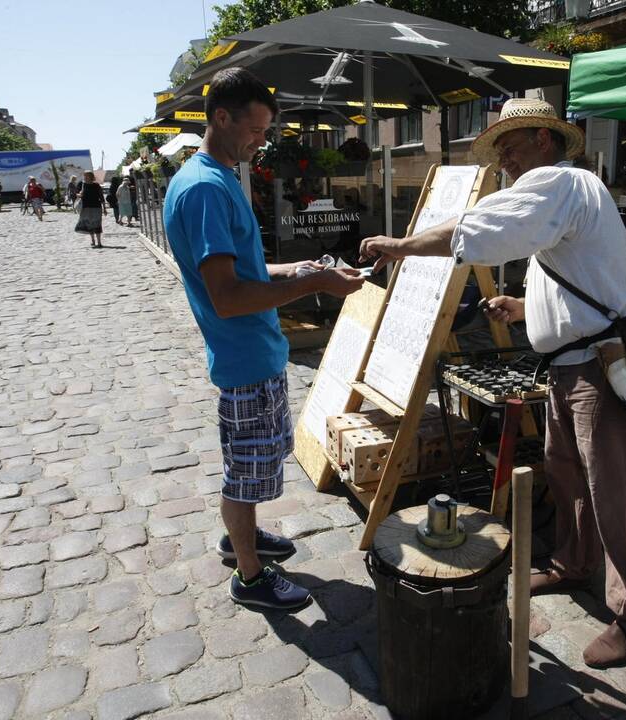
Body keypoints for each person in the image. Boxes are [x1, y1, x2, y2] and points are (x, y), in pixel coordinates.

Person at [359, 98, 626, 668]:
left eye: (510, 146)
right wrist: (526, 308)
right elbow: (580, 275)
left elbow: (481, 229)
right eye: (498, 151)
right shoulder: (560, 196)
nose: (503, 161)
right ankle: (575, 562)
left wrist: (400, 246)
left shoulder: (560, 183)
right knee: (568, 475)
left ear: (543, 141)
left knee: (616, 493)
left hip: (600, 365)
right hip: (571, 365)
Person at [163, 67, 364, 611]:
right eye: (255, 130)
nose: (262, 140)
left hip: (254, 353)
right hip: (244, 357)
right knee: (245, 473)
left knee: (256, 464)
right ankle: (249, 576)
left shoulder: (215, 174)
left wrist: (293, 267)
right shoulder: (205, 187)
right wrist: (314, 283)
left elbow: (242, 270)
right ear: (221, 118)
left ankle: (241, 539)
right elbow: (227, 296)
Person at [75, 170, 105, 247]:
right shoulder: (82, 184)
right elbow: (78, 194)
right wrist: (79, 195)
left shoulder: (96, 185)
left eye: (86, 175)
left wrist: (104, 208)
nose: (84, 177)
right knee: (89, 224)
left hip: (96, 207)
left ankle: (99, 242)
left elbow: (101, 197)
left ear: (91, 176)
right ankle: (93, 240)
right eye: (84, 175)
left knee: (97, 224)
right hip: (86, 207)